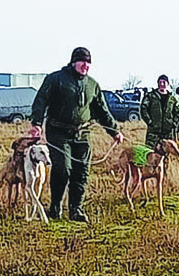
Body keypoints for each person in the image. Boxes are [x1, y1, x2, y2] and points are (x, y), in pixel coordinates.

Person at [30, 47, 124, 222]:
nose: (86, 65)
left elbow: (102, 110)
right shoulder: (55, 79)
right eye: (82, 61)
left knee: (81, 172)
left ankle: (76, 210)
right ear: (74, 62)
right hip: (58, 132)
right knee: (62, 169)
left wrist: (114, 131)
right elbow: (41, 100)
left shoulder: (92, 85)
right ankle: (55, 208)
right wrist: (36, 123)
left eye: (88, 62)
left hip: (83, 134)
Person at [143, 76, 179, 147]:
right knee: (150, 151)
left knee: (166, 153)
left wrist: (174, 123)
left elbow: (177, 112)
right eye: (160, 82)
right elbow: (143, 109)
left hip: (167, 132)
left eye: (164, 82)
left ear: (167, 84)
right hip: (153, 131)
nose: (161, 84)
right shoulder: (150, 96)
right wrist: (149, 121)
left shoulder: (172, 98)